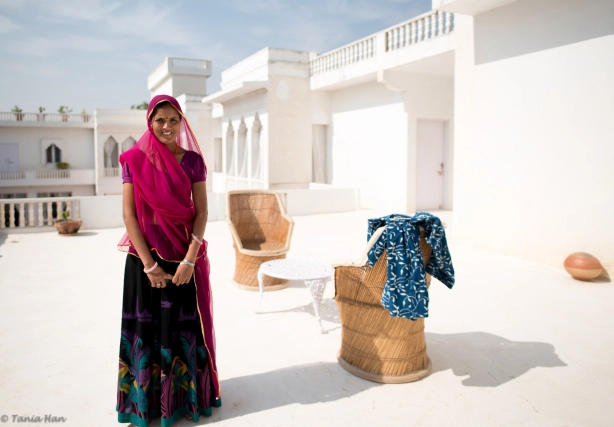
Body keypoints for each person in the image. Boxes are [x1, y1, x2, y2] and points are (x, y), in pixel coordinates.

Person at [115, 95, 221, 426]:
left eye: (173, 120)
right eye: (160, 120)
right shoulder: (134, 160)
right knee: (146, 333)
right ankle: (146, 405)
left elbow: (202, 212)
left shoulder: (191, 162)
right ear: (150, 122)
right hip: (144, 262)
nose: (166, 126)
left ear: (181, 122)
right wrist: (149, 265)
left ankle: (185, 401)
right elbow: (129, 216)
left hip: (182, 261)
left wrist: (190, 260)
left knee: (183, 331)